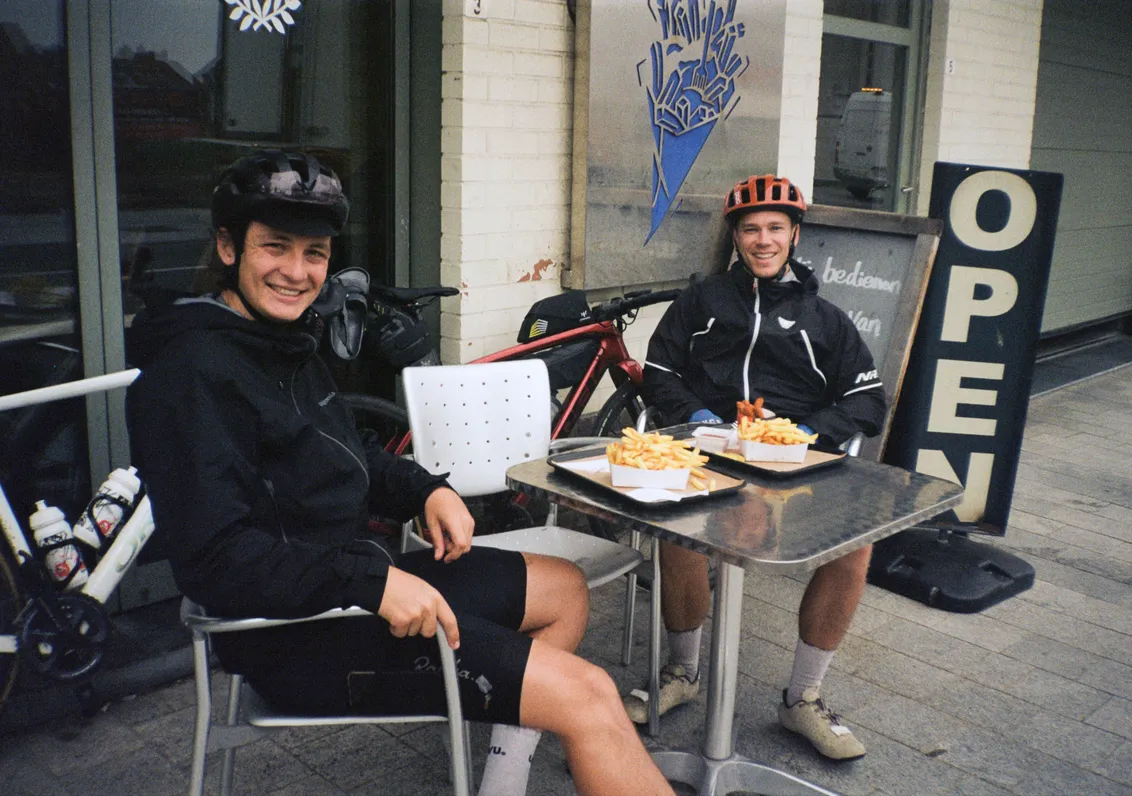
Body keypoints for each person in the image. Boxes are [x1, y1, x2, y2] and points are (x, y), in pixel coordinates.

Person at [126, 150, 673, 796]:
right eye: (275, 247)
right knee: (590, 695)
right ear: (227, 247)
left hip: (349, 586)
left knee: (566, 589)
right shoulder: (188, 376)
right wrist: (371, 581)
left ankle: (501, 781)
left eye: (314, 253)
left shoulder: (279, 341)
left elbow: (342, 448)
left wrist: (426, 489)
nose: (297, 272)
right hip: (294, 636)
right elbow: (216, 562)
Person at [629, 173, 887, 761]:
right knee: (676, 531)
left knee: (855, 548)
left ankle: (803, 697)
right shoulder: (702, 301)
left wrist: (803, 435)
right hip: (710, 448)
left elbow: (867, 399)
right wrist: (698, 416)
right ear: (736, 237)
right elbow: (659, 371)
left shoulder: (825, 318)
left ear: (795, 235)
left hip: (797, 459)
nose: (763, 240)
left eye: (775, 228)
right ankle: (683, 672)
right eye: (751, 229)